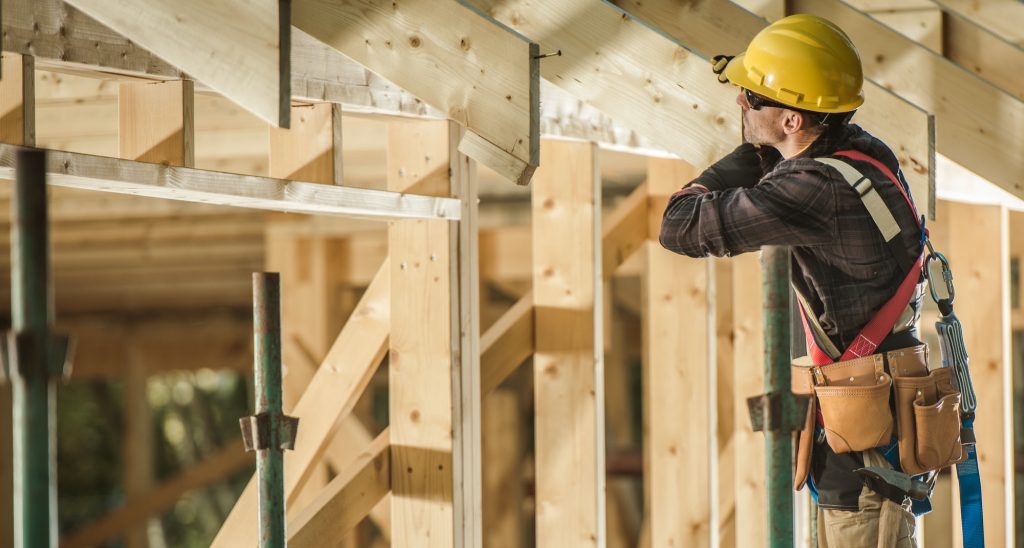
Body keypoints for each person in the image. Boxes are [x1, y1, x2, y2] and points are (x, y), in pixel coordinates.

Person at [658, 14, 933, 547]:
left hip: (863, 457)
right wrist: (770, 144)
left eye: (753, 99)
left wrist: (751, 155)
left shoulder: (810, 186)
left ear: (792, 122)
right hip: (877, 423)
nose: (740, 103)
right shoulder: (863, 150)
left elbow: (680, 226)